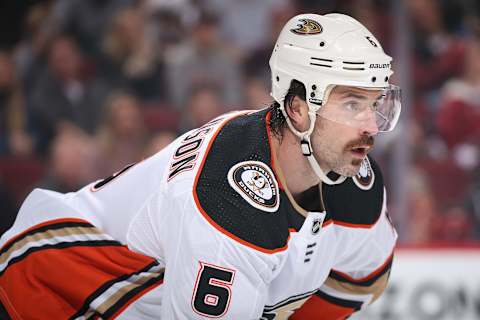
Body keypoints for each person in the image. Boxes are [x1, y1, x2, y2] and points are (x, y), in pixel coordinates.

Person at [0, 13, 401, 319]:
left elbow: (360, 277)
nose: (370, 127)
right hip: (43, 291)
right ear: (297, 108)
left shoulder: (354, 186)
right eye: (352, 104)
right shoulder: (225, 199)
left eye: (374, 104)